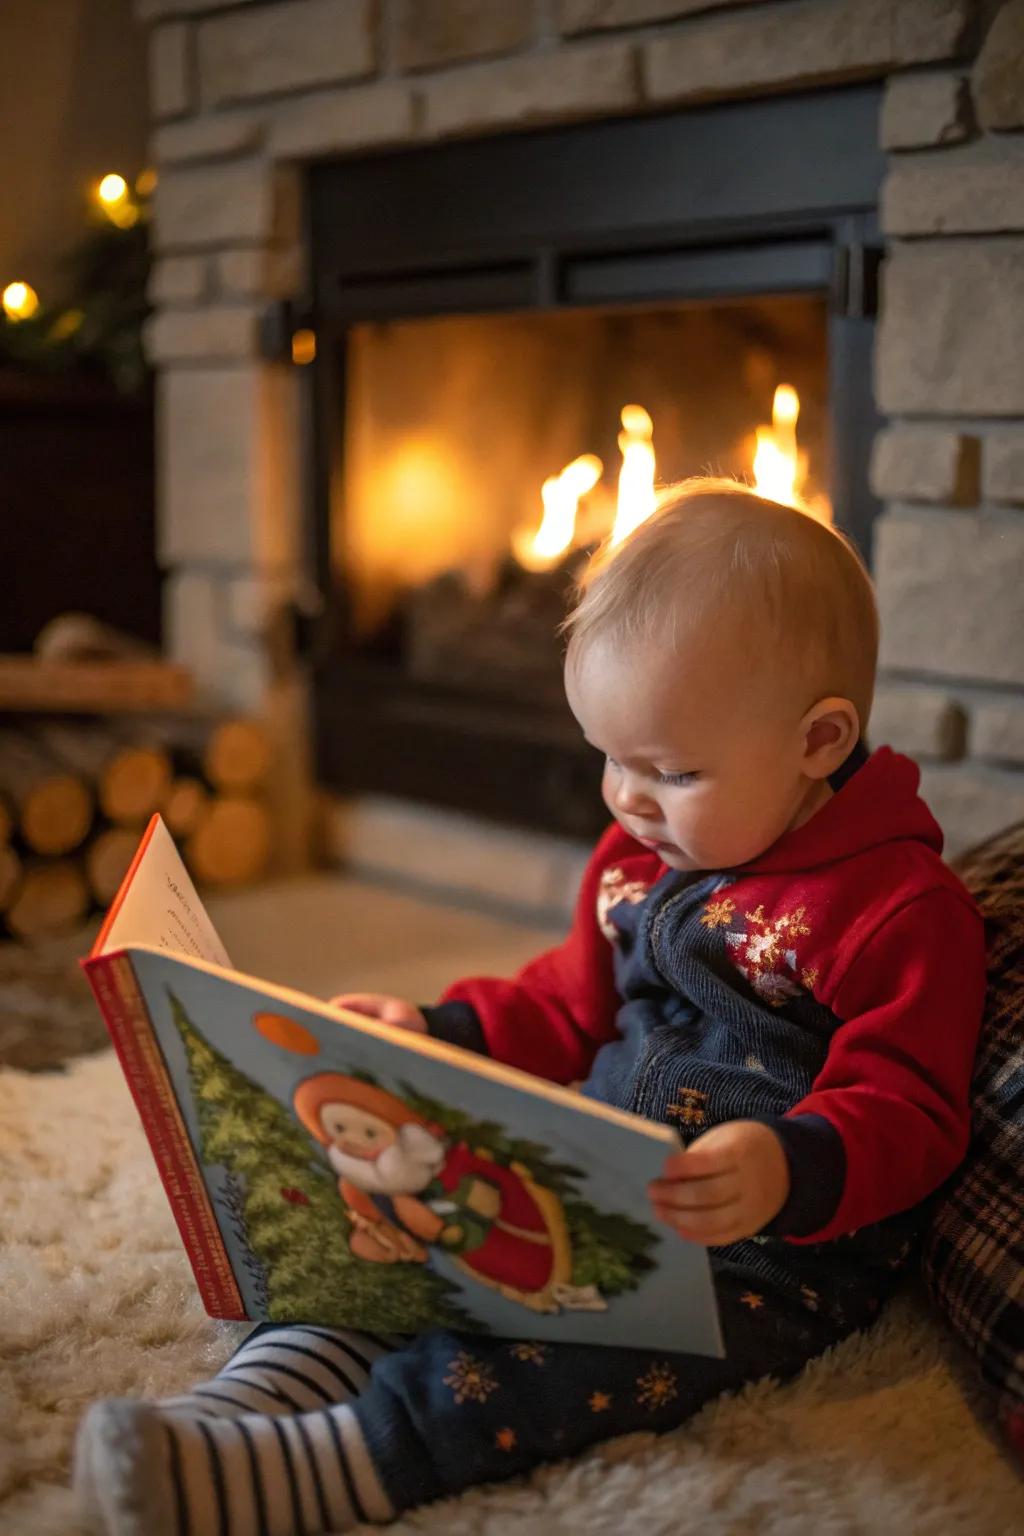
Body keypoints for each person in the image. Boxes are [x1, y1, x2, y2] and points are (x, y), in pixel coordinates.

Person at [74, 479, 987, 1536]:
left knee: (550, 1365)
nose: (626, 798)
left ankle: (318, 1469)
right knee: (384, 1235)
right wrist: (436, 1034)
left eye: (671, 770)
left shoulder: (897, 911)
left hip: (754, 1253)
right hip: (580, 1182)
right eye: (610, 758)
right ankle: (249, 1402)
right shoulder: (640, 856)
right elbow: (563, 1006)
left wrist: (787, 1166)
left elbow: (914, 1107)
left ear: (818, 742)